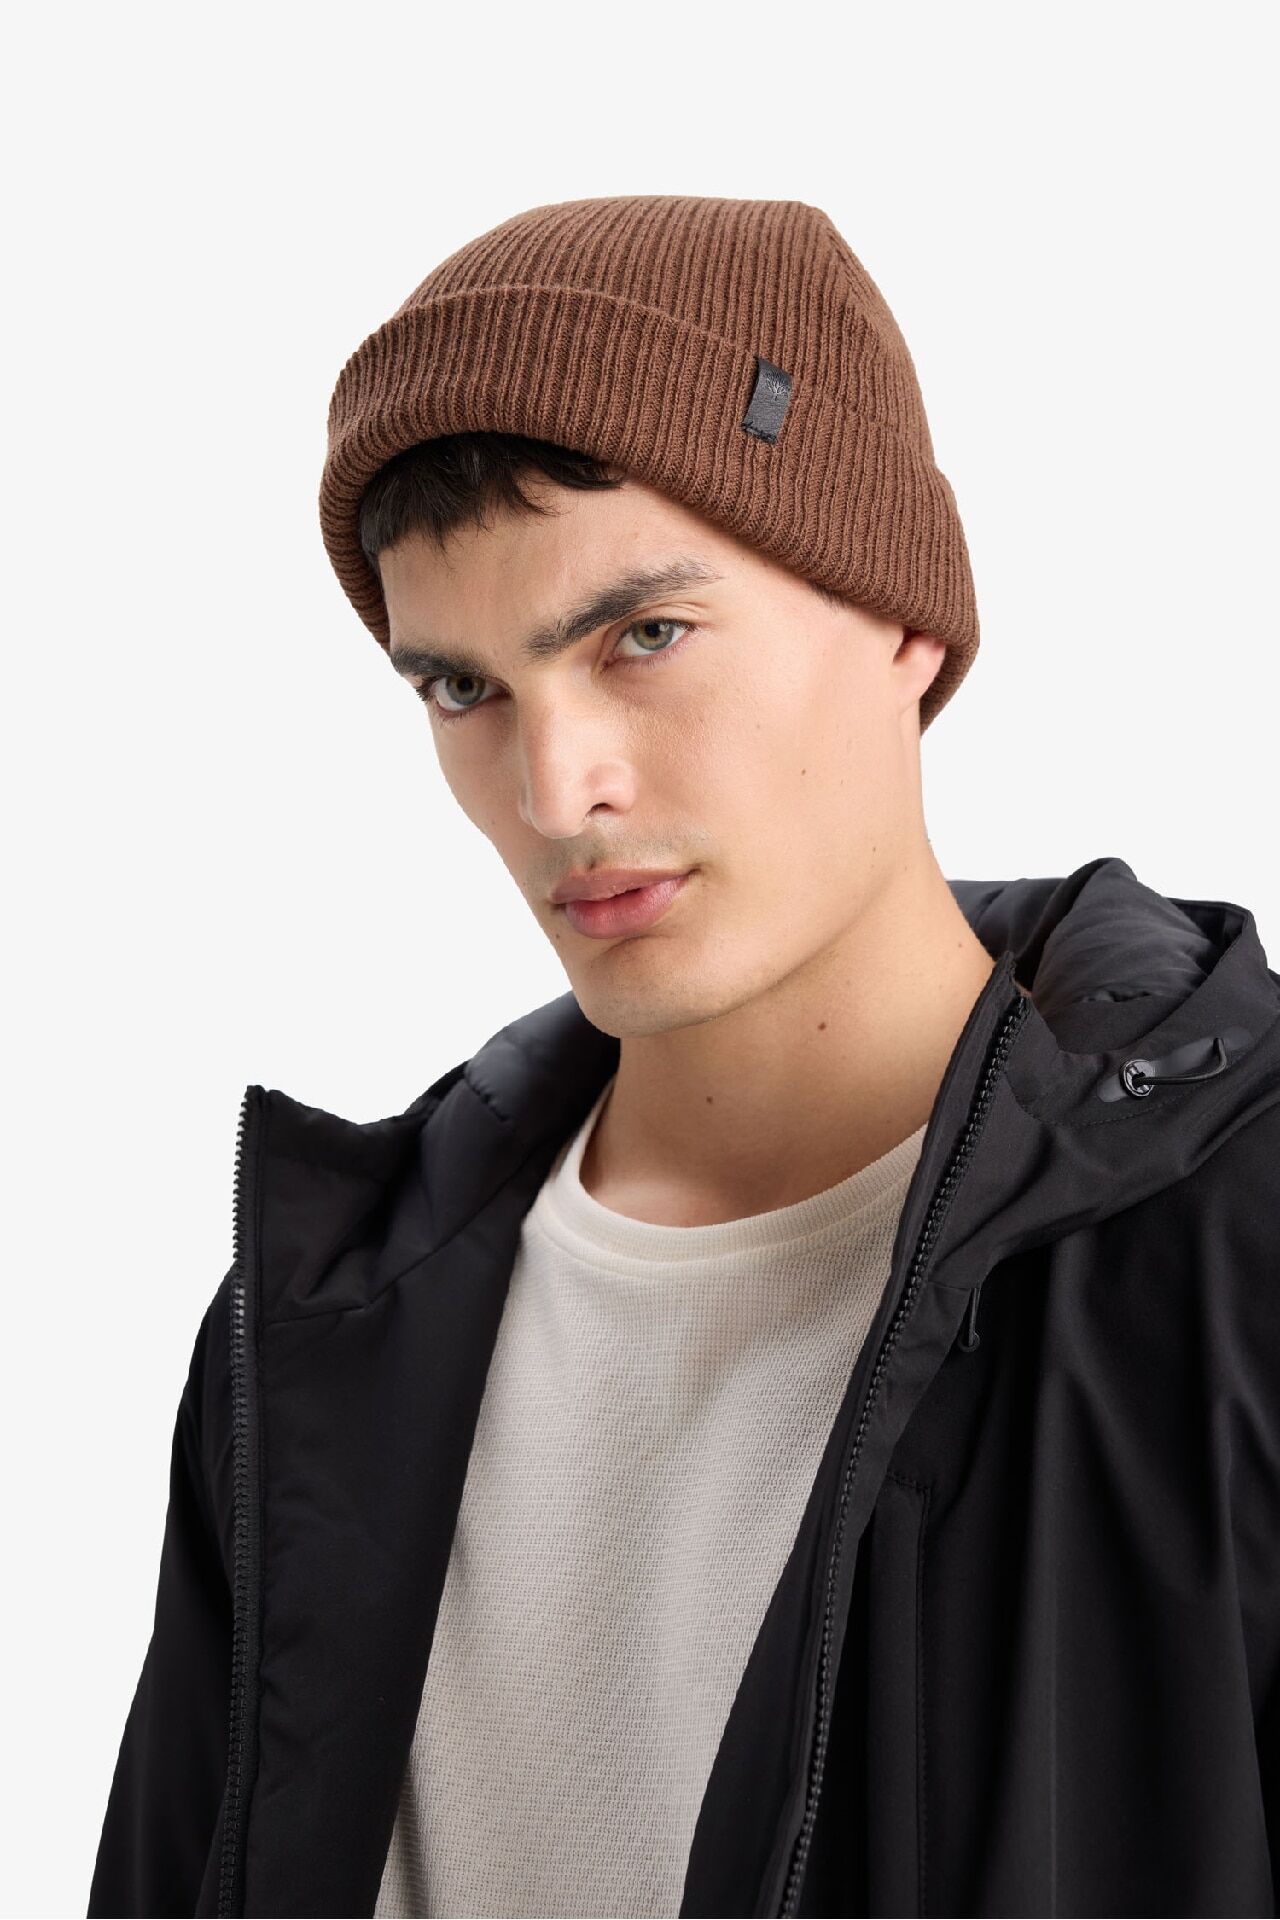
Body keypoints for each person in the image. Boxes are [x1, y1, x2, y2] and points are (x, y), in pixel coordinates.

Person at [88, 196, 1280, 1920]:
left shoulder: (1232, 1247)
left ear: (902, 618)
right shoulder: (323, 1313)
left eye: (642, 638)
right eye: (463, 691)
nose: (553, 789)